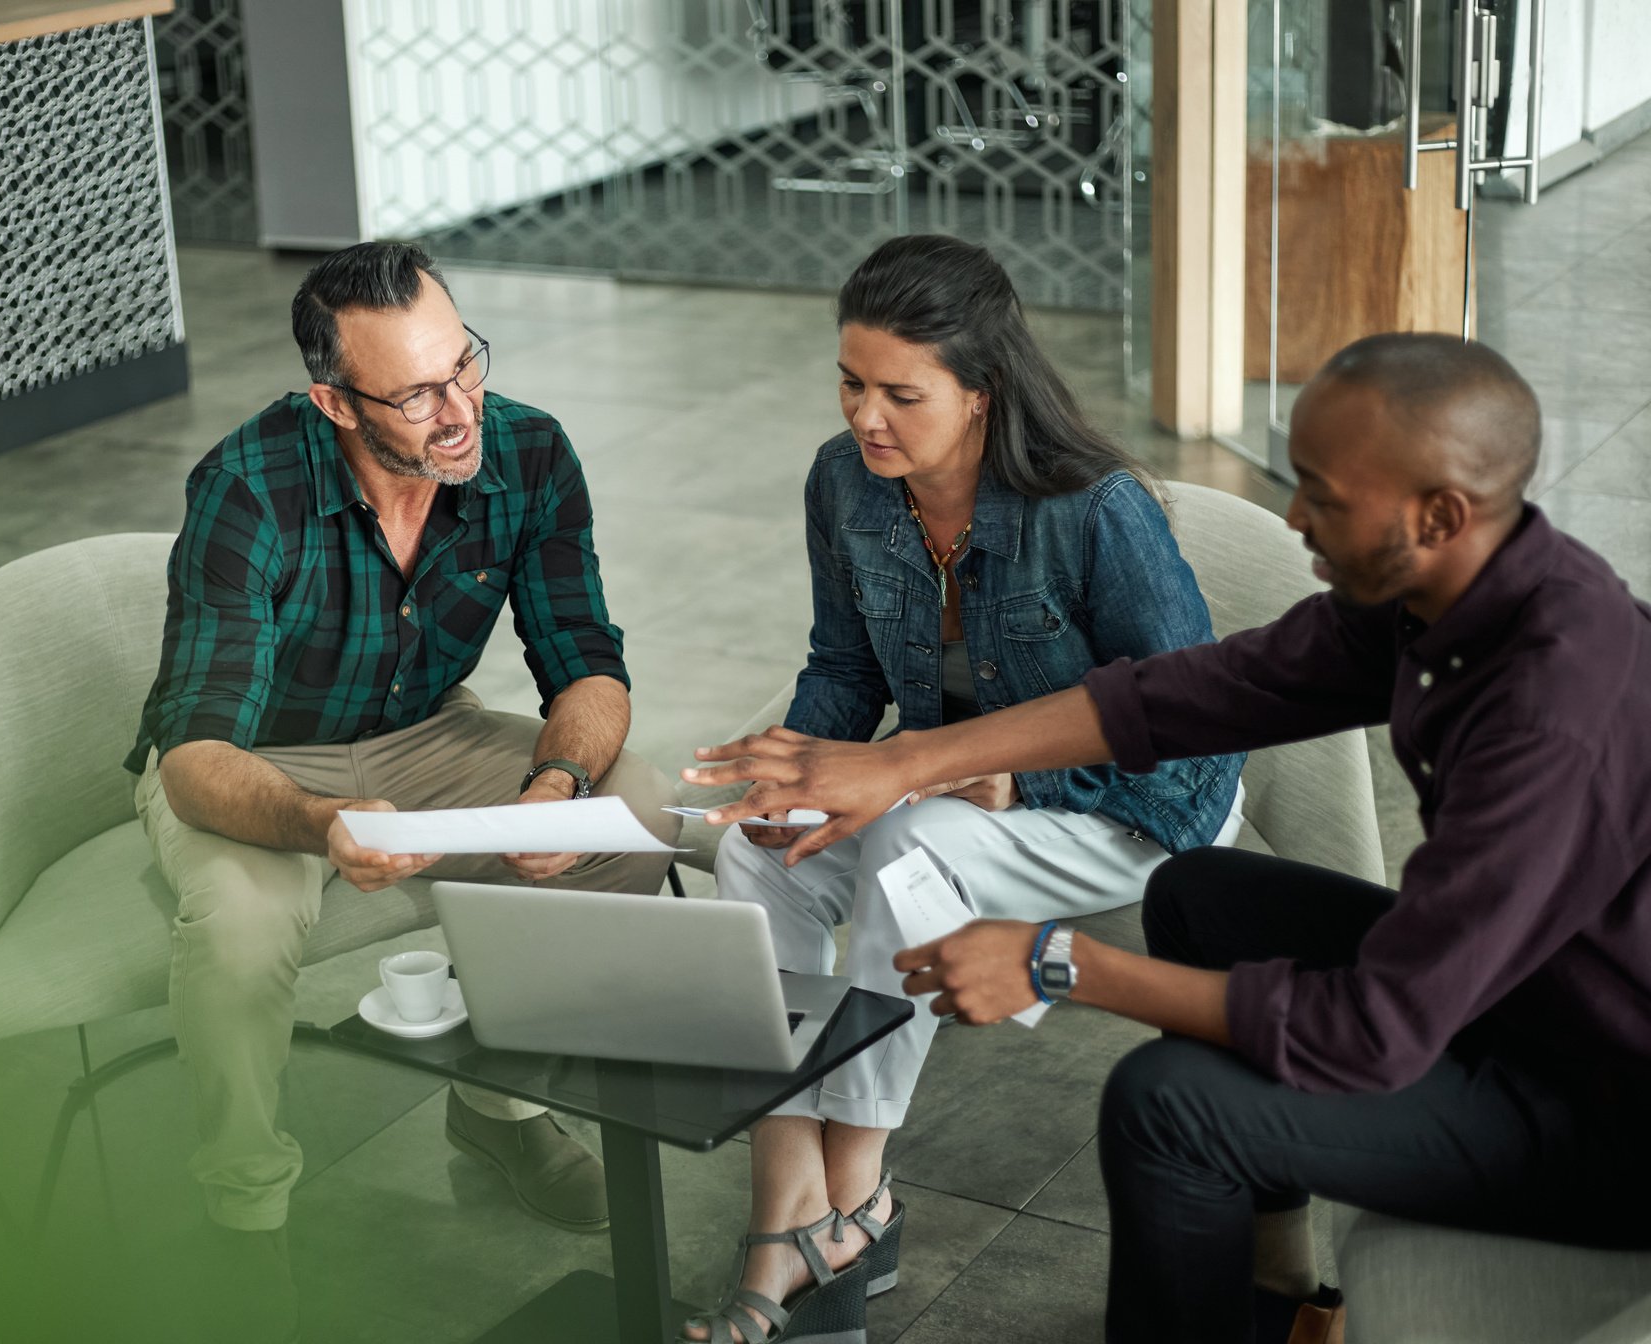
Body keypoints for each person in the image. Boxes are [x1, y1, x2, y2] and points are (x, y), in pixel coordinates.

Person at [685, 331, 1651, 1344]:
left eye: (1320, 492)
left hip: (1601, 1108)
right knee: (1208, 896)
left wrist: (1061, 966)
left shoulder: (1550, 714)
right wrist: (908, 762)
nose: (1293, 514)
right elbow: (1198, 693)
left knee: (1164, 1104)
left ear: (1439, 513)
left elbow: (1372, 1031)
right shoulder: (1457, 590)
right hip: (1525, 1002)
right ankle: (1267, 1297)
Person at [681, 235, 1245, 1344]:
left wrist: (1019, 776)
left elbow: (1191, 733)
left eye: (902, 393)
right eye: (850, 382)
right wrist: (791, 761)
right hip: (949, 785)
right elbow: (846, 668)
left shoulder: (1095, 508)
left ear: (981, 394)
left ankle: (853, 1203)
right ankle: (791, 1207)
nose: (864, 416)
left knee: (912, 847)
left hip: (1131, 804)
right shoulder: (843, 484)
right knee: (758, 850)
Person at [126, 242, 680, 1334]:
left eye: (463, 363)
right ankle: (246, 1213)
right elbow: (193, 757)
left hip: (427, 735)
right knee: (241, 923)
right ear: (334, 399)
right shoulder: (247, 484)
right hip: (260, 764)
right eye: (418, 392)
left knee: (639, 811)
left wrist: (555, 782)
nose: (458, 407)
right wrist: (323, 823)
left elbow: (588, 665)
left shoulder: (527, 448)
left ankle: (500, 1104)